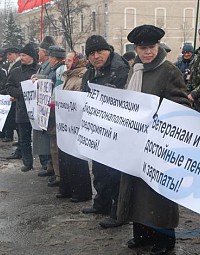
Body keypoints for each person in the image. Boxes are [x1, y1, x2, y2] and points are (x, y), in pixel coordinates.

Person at [118, 24, 191, 255]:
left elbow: (182, 103)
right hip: (136, 140)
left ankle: (164, 240)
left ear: (158, 46)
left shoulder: (169, 71)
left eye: (151, 47)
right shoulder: (135, 70)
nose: (147, 52)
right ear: (136, 49)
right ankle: (142, 235)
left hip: (160, 142)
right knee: (137, 188)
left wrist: (157, 116)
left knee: (159, 193)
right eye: (142, 47)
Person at [80, 35, 130, 229]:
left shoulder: (120, 70)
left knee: (114, 172)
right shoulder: (90, 72)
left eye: (100, 51)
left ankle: (118, 212)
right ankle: (101, 203)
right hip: (97, 129)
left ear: (108, 51)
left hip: (116, 131)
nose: (96, 56)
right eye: (92, 53)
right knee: (99, 169)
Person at [56, 51, 92, 202]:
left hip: (75, 124)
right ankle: (67, 188)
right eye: (66, 60)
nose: (67, 63)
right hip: (66, 124)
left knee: (76, 158)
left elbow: (78, 100)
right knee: (64, 156)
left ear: (77, 61)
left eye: (70, 60)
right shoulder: (69, 75)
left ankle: (81, 191)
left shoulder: (81, 76)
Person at [7, 44, 40, 172]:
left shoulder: (39, 70)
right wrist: (20, 93)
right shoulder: (16, 72)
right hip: (22, 110)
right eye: (20, 55)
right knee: (24, 139)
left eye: (24, 55)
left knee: (40, 138)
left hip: (37, 111)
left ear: (31, 56)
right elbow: (9, 87)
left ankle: (45, 163)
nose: (21, 58)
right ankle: (27, 163)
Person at [43, 45, 67, 187]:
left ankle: (59, 175)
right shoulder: (55, 69)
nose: (49, 60)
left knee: (55, 145)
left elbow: (57, 87)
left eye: (50, 57)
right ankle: (56, 172)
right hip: (53, 110)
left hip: (56, 111)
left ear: (55, 58)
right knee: (53, 145)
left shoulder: (60, 70)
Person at [32, 36, 56, 177]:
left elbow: (49, 80)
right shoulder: (43, 65)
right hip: (41, 105)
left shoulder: (50, 66)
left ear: (46, 53)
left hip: (47, 106)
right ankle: (47, 164)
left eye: (40, 51)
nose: (38, 53)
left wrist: (38, 78)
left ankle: (49, 165)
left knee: (48, 140)